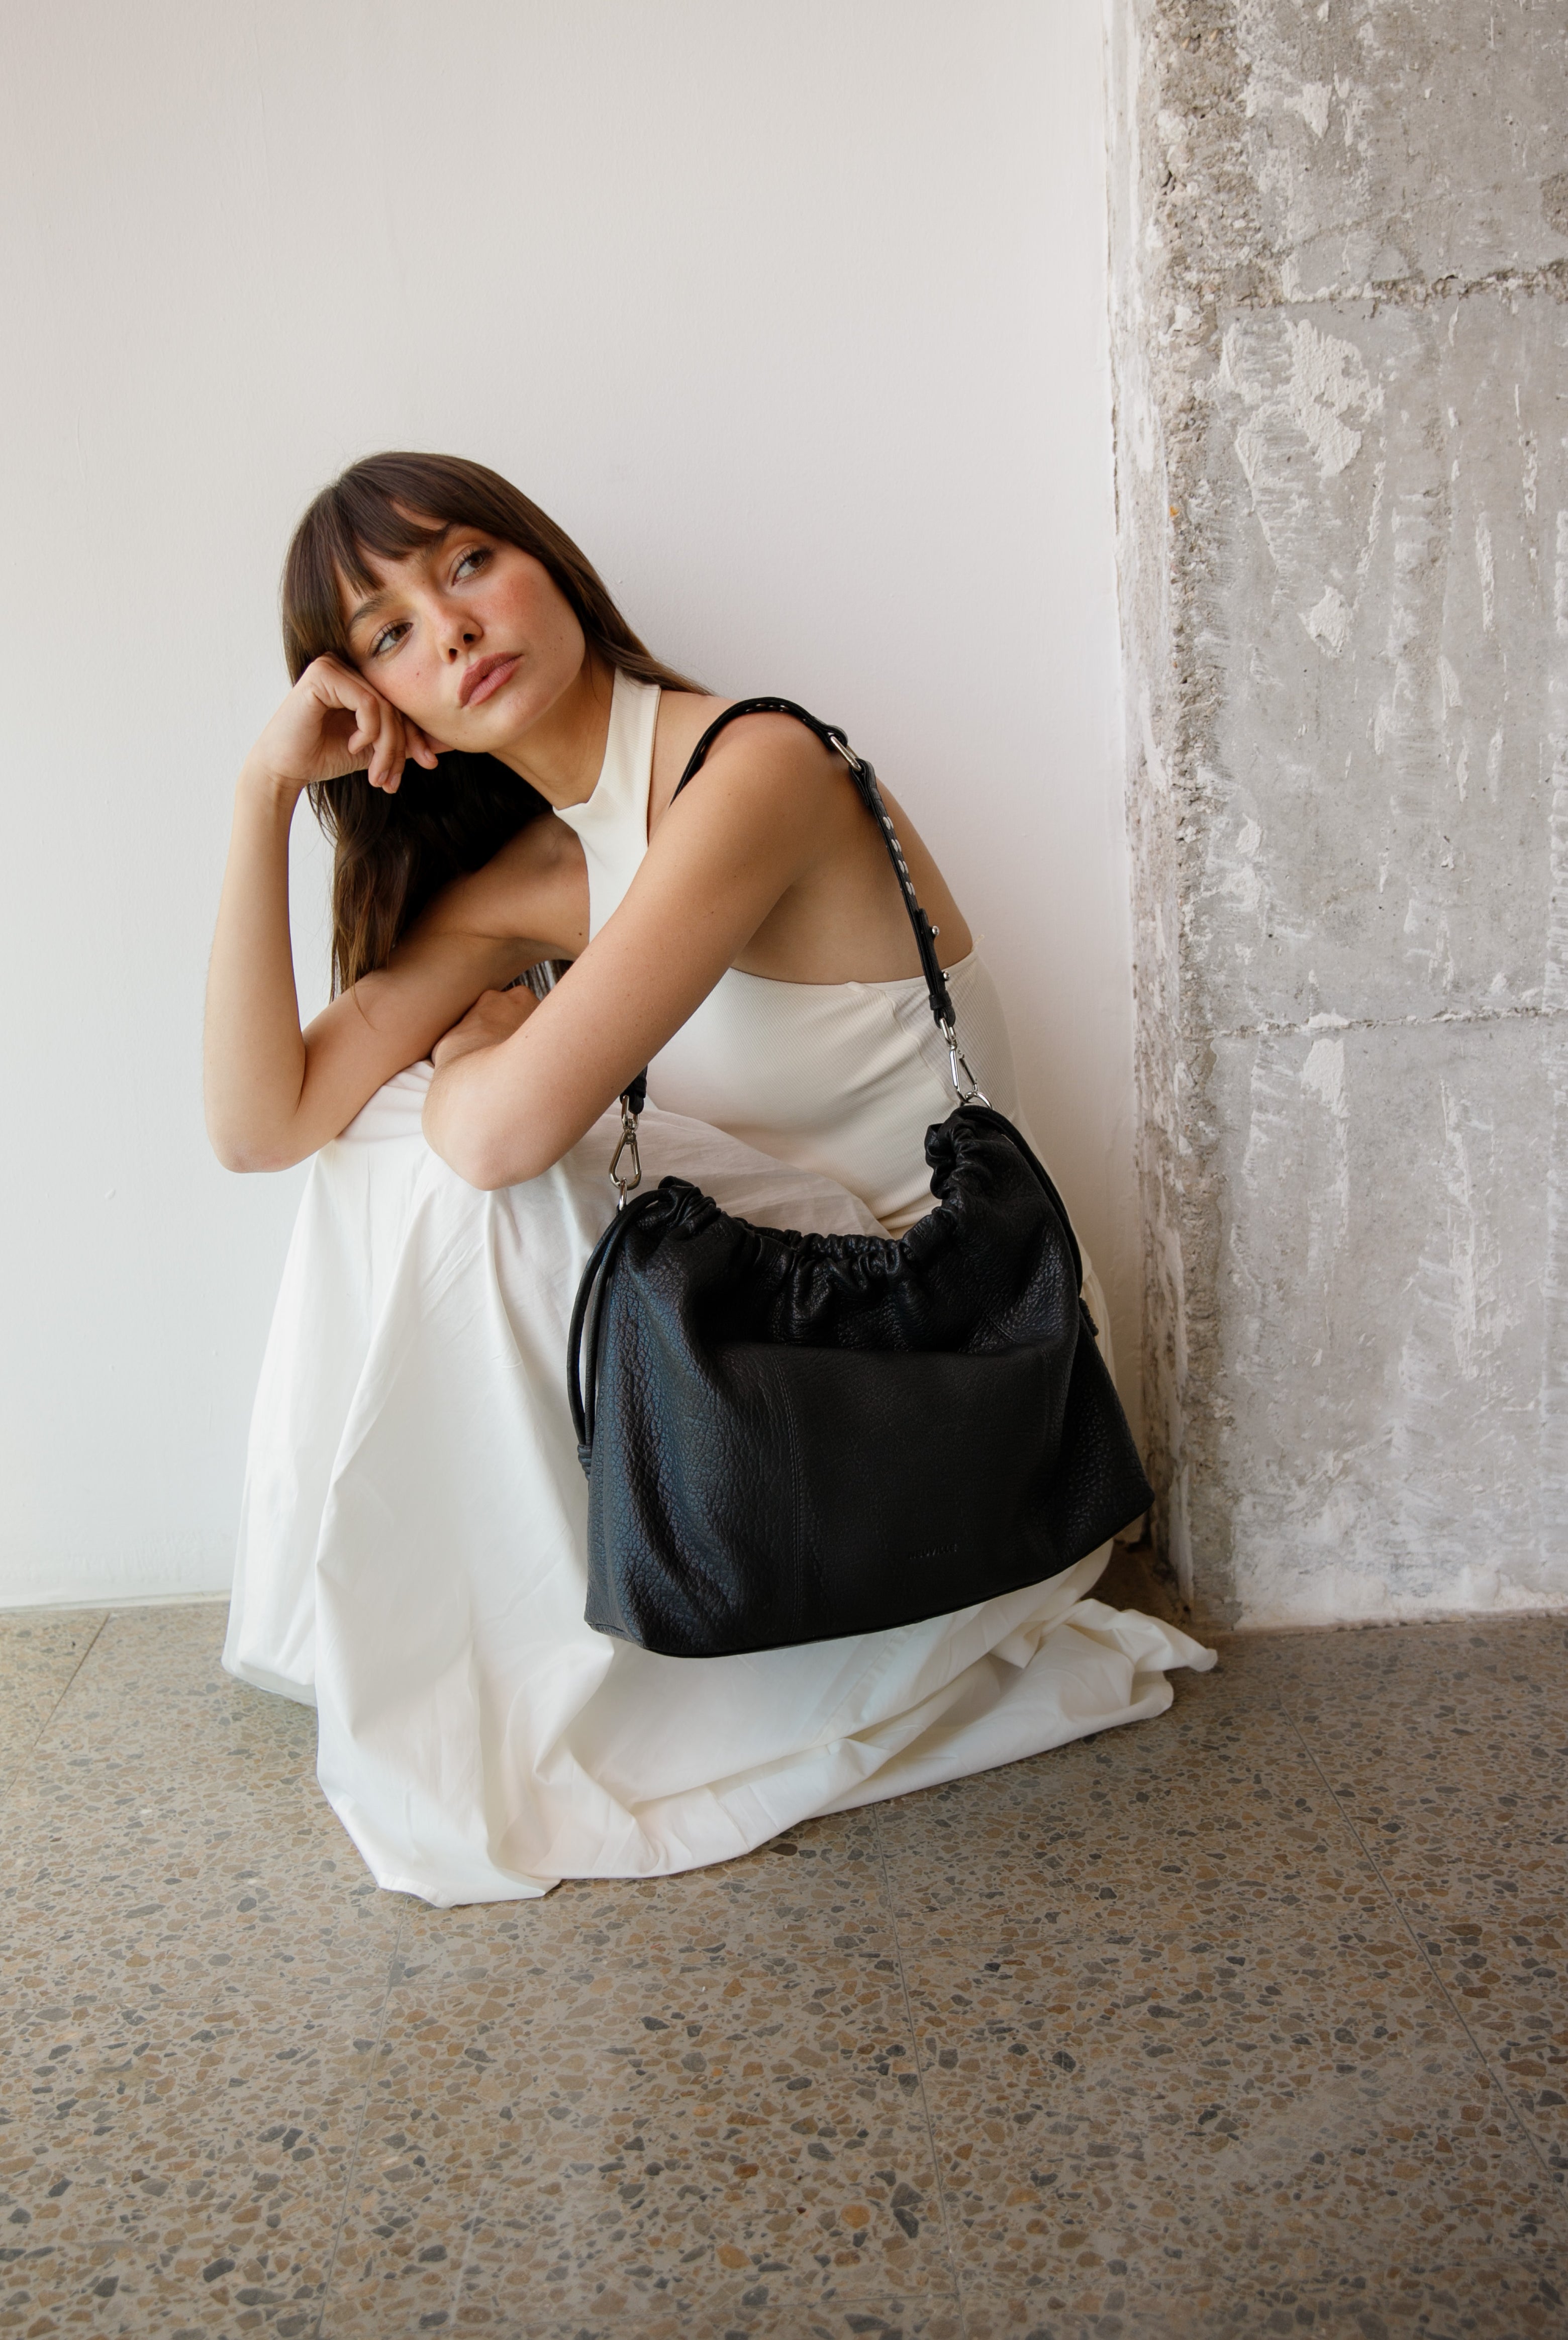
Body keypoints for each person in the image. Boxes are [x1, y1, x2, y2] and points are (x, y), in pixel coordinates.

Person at [206, 450, 1213, 1908]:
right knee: (385, 1140)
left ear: (551, 565)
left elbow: (492, 1142)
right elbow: (263, 1126)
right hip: (784, 1373)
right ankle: (470, 1637)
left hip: (953, 1375)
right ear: (385, 710)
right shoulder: (540, 873)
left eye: (469, 564)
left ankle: (575, 1658)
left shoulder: (759, 770)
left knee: (466, 1155)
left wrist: (493, 1053)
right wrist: (256, 792)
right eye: (391, 632)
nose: (455, 629)